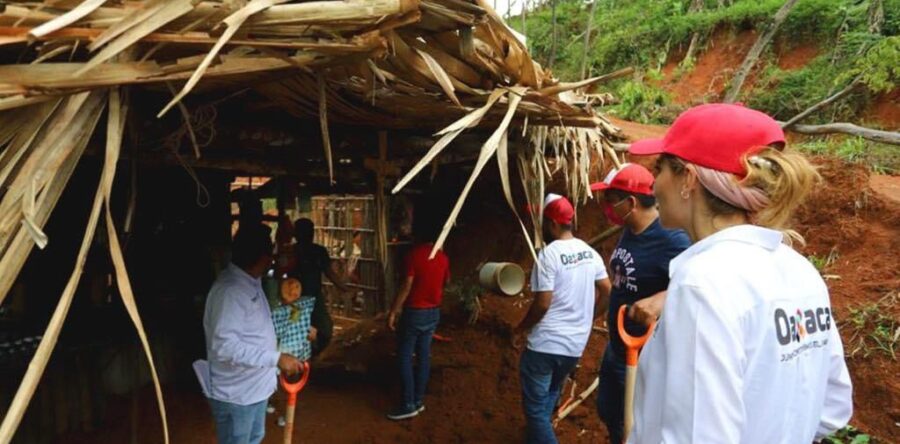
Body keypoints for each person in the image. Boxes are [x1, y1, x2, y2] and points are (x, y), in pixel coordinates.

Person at [626, 103, 853, 443]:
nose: (653, 185)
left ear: (688, 178)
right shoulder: (800, 271)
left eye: (659, 169)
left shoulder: (703, 283)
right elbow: (832, 409)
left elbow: (699, 437)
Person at [588, 163, 690, 444]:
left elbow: (700, 284)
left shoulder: (672, 238)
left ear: (630, 203)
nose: (606, 206)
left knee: (635, 426)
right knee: (609, 412)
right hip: (617, 346)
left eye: (610, 199)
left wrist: (662, 299)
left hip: (643, 357)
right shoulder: (630, 230)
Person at [516, 193, 612, 444]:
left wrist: (521, 328)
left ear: (552, 224)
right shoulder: (589, 253)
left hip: (545, 345)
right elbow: (607, 290)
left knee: (535, 411)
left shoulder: (549, 254)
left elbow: (542, 303)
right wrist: (589, 319)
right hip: (574, 346)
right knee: (550, 394)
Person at [202, 225, 304, 444]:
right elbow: (225, 347)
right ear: (262, 257)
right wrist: (276, 358)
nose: (273, 259)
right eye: (271, 253)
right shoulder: (231, 292)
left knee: (254, 438)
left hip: (253, 390)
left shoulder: (250, 281)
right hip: (237, 395)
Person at [385, 213, 450, 421]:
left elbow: (407, 285)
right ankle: (418, 400)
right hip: (433, 312)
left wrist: (394, 311)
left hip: (415, 312)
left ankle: (408, 403)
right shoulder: (443, 257)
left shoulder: (414, 255)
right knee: (423, 356)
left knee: (404, 356)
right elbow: (446, 282)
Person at [289, 218, 349, 355]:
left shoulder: (315, 251)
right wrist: (342, 287)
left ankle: (311, 354)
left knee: (316, 328)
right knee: (313, 328)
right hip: (298, 300)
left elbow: (329, 272)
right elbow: (330, 273)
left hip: (306, 299)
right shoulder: (295, 252)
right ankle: (308, 355)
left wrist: (342, 287)